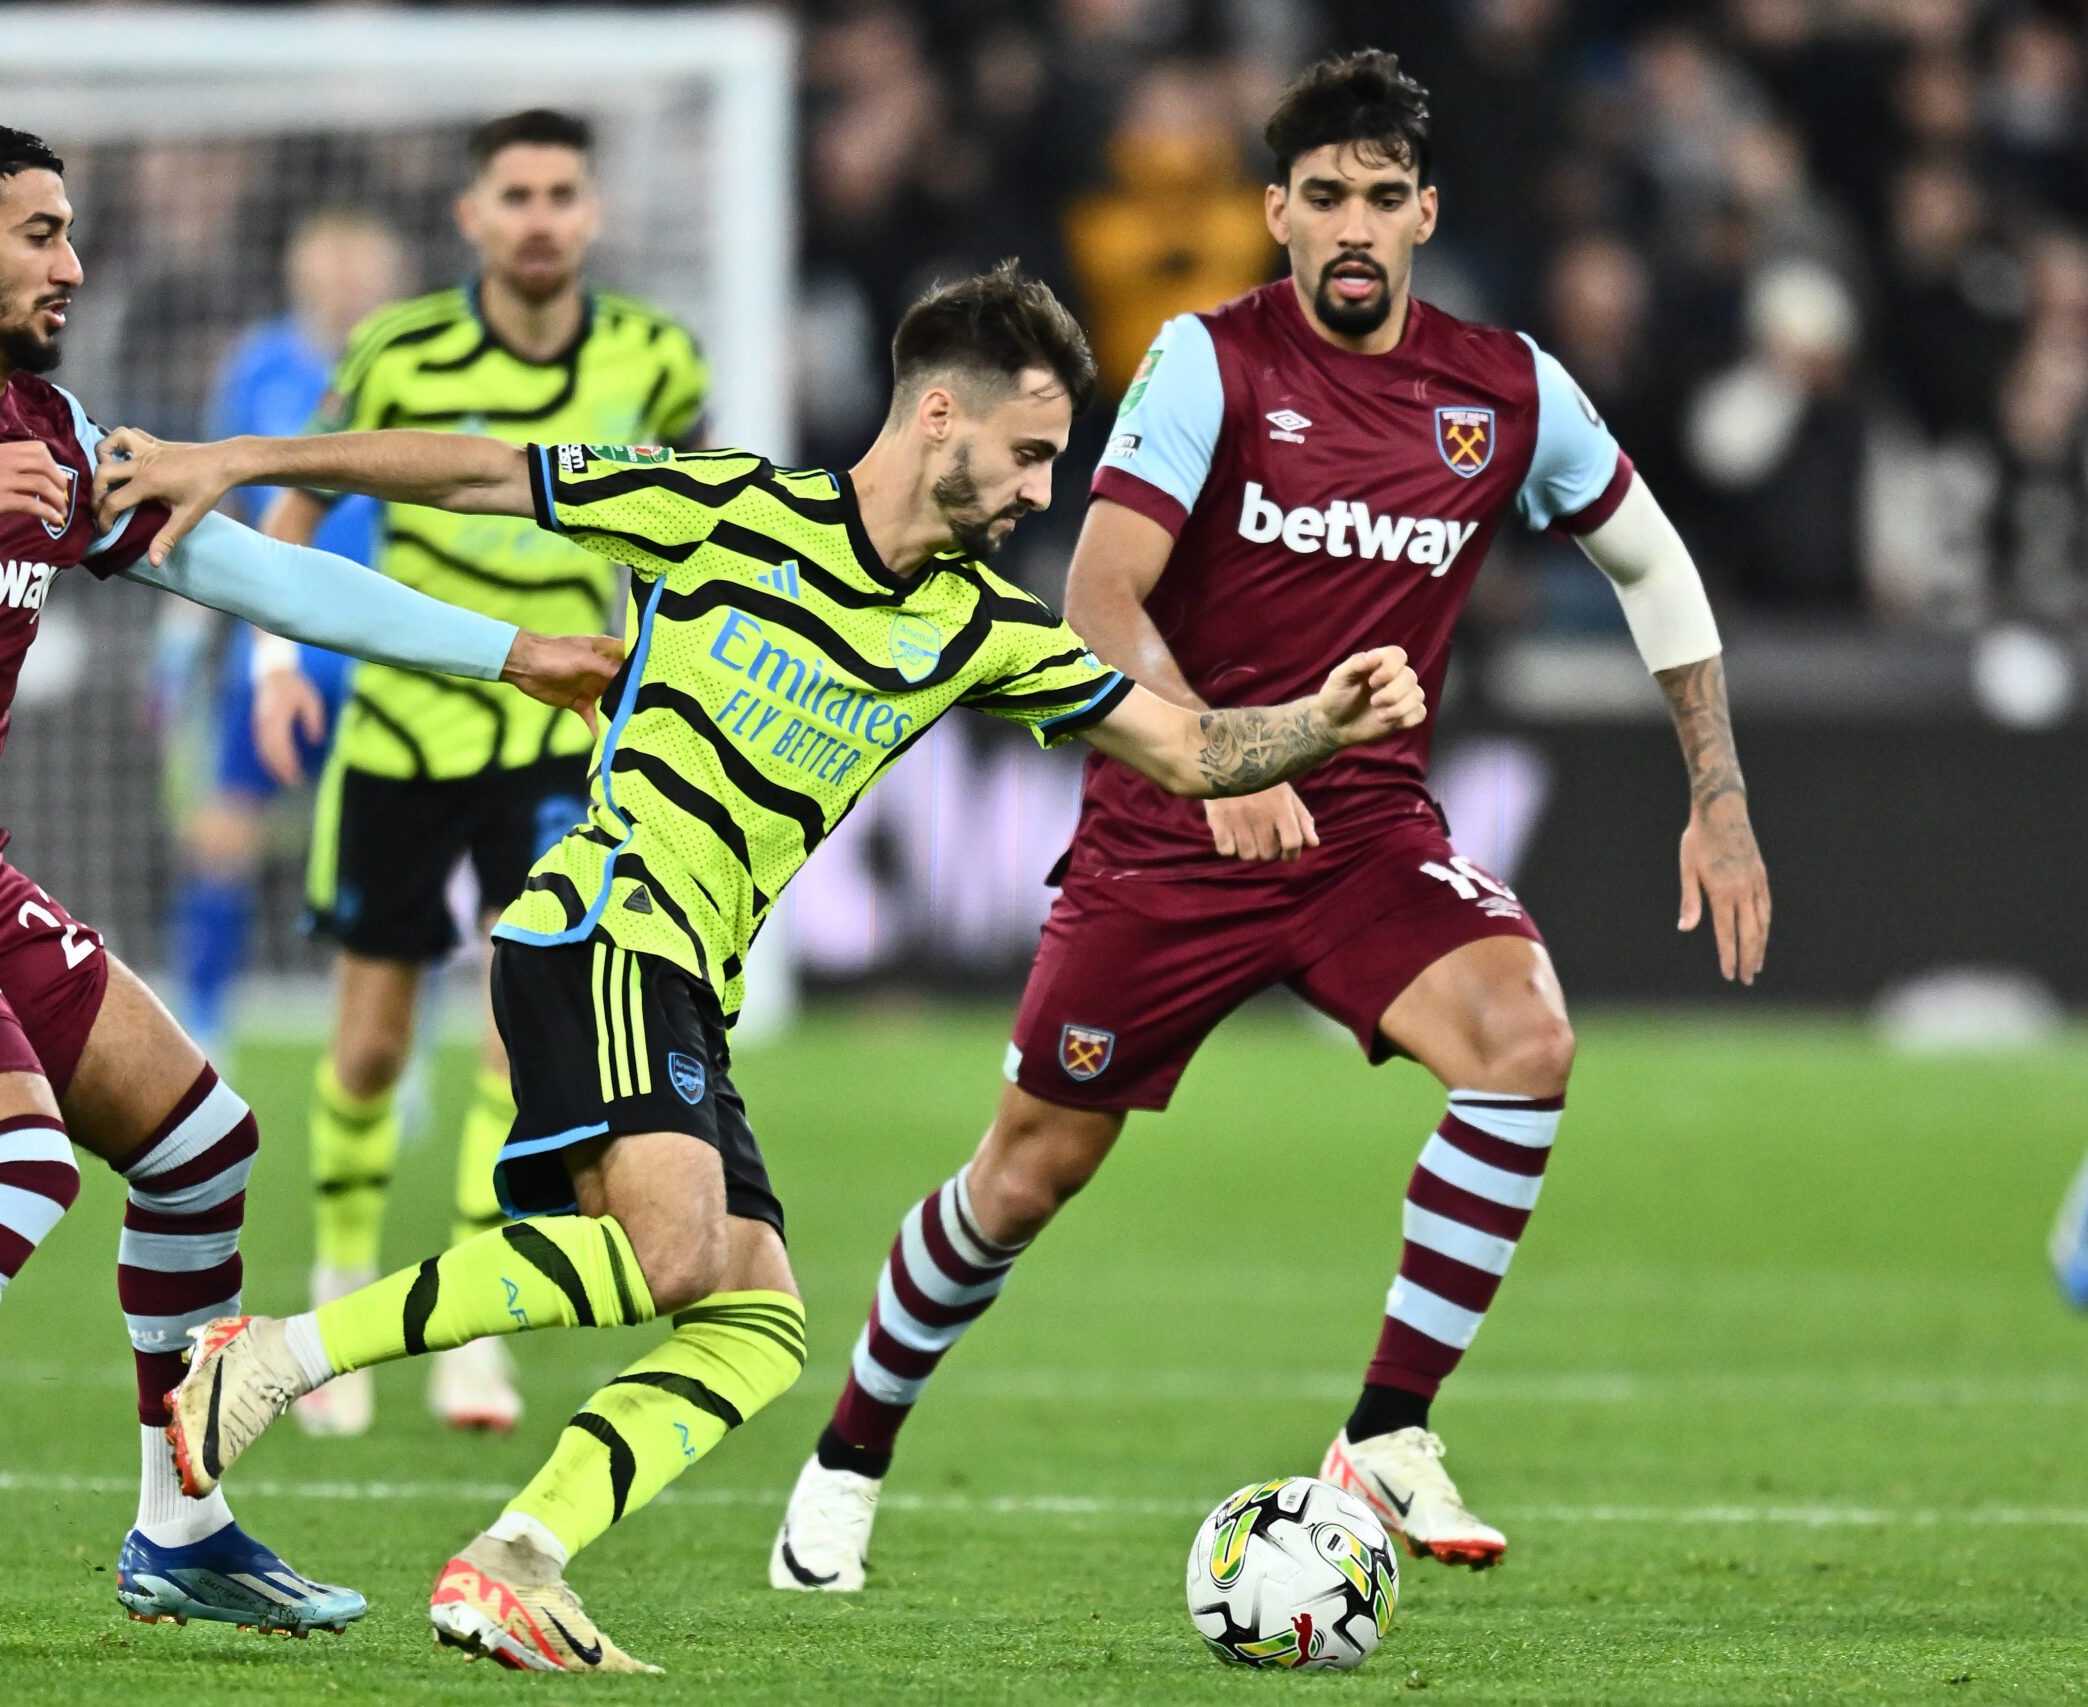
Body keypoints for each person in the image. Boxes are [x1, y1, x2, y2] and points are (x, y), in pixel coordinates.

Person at [92, 260, 1429, 1672]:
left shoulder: (978, 626)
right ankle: (274, 1358)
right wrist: (236, 455)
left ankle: (516, 1557)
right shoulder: (732, 507)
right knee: (675, 1254)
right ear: (935, 416)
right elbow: (480, 473)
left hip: (689, 981)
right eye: (1030, 453)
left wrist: (1319, 720)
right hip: (604, 921)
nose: (1045, 490)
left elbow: (1184, 747)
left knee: (757, 1316)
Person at [774, 49, 1773, 1591]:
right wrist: (1207, 759)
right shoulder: (1207, 362)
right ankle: (850, 1448)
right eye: (1324, 197)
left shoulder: (1504, 387)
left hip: (1367, 826)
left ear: (1425, 211)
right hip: (1171, 823)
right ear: (1277, 213)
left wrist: (1719, 791)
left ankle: (1385, 1427)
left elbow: (1654, 564)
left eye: (1383, 196)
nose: (1355, 223)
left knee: (1526, 1039)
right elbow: (1098, 596)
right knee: (1023, 1175)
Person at [0, 116, 617, 1663]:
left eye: (68, 230)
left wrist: (516, 651)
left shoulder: (54, 436)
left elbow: (264, 574)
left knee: (199, 1143)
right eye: (40, 232)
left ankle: (179, 1529)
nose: (71, 259)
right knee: (19, 1165)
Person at [249, 109, 710, 1440]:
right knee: (373, 1038)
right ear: (472, 215)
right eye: (516, 193)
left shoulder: (657, 359)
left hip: (559, 732)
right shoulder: (397, 351)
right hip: (401, 722)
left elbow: (692, 520)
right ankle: (337, 1283)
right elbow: (299, 499)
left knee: (518, 1024)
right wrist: (273, 666)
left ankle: (465, 1331)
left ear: (594, 212)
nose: (542, 216)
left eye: (565, 191)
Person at [159, 210, 400, 1058]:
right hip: (275, 650)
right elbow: (216, 505)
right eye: (328, 272)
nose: (343, 288)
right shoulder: (257, 364)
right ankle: (204, 1023)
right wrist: (181, 636)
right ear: (302, 277)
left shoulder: (410, 370)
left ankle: (382, 1045)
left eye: (358, 272)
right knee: (223, 835)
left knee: (384, 858)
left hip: (382, 652)